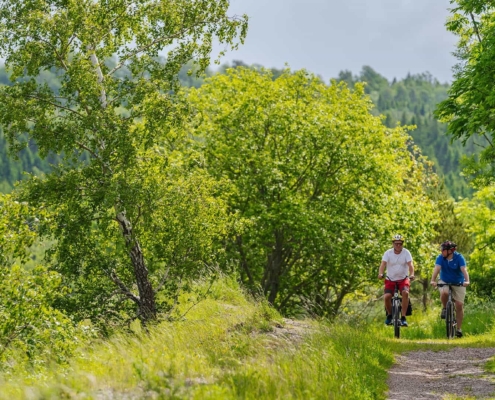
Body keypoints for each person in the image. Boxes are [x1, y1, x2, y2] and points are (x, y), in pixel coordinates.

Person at [430, 240, 470, 338]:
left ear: (450, 251)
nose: (441, 251)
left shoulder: (459, 257)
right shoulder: (440, 258)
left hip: (458, 282)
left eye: (443, 250)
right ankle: (444, 308)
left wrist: (467, 281)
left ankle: (459, 329)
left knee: (459, 305)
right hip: (444, 281)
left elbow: (463, 270)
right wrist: (433, 280)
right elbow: (437, 269)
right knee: (444, 293)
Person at [378, 234, 415, 327]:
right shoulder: (388, 253)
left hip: (403, 279)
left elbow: (410, 265)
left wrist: (412, 274)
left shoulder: (406, 252)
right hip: (390, 279)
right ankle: (390, 315)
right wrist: (380, 273)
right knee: (387, 297)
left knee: (405, 293)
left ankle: (403, 317)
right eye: (396, 244)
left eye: (400, 244)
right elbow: (383, 264)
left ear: (402, 244)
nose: (398, 246)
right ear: (393, 244)